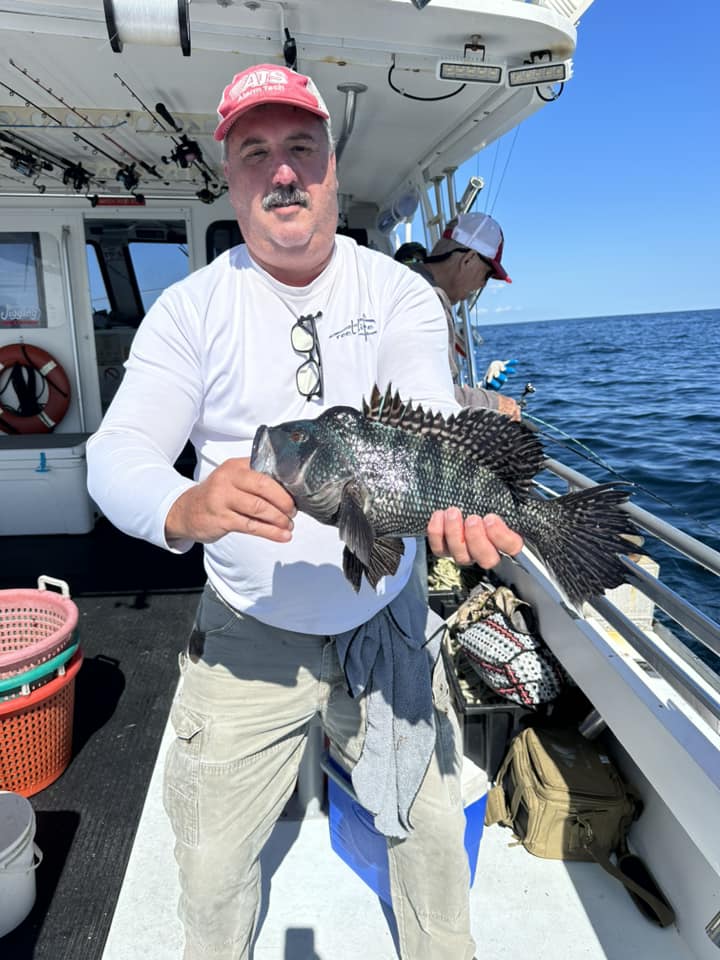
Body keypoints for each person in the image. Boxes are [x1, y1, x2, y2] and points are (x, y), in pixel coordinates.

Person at [86, 62, 523, 960]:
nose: (282, 171)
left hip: (387, 622)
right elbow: (115, 457)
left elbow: (419, 419)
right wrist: (185, 502)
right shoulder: (189, 310)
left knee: (430, 842)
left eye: (300, 147)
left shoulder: (398, 292)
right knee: (210, 868)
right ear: (231, 177)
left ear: (331, 165)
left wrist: (446, 506)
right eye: (256, 152)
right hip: (244, 637)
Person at [411, 212, 522, 421]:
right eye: (487, 275)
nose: (483, 285)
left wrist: (481, 391)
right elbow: (429, 396)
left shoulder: (404, 279)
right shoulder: (427, 299)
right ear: (469, 259)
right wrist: (495, 403)